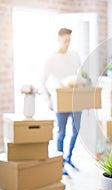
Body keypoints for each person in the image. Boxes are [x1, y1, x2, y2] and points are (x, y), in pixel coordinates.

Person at [41, 28, 82, 176]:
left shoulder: (75, 56)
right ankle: (60, 163)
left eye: (69, 40)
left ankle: (69, 157)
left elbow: (81, 74)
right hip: (60, 101)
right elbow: (42, 82)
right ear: (59, 39)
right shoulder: (51, 59)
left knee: (77, 130)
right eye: (65, 41)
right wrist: (48, 101)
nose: (67, 44)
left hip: (75, 99)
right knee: (61, 132)